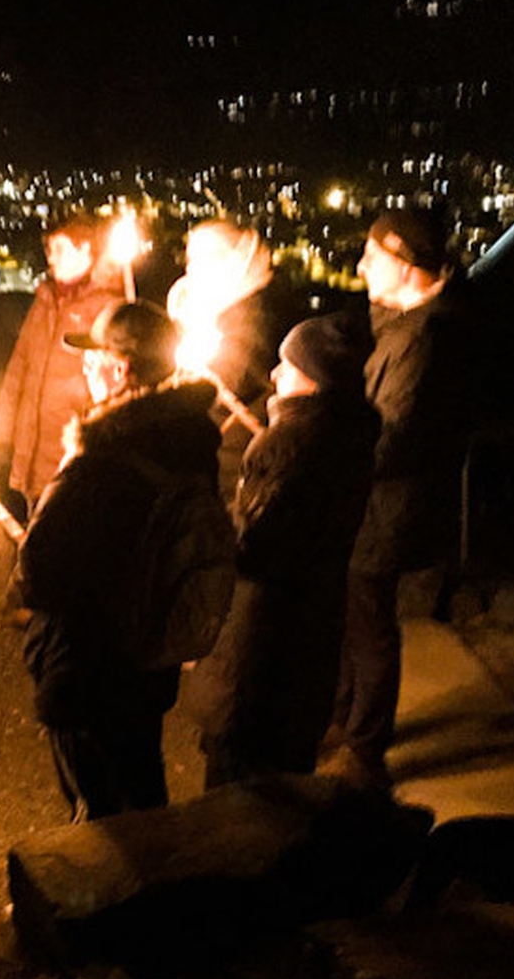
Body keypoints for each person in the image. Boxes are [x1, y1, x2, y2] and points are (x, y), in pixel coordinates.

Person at [16, 302, 223, 820]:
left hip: (90, 670)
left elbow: (40, 571)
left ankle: (117, 897)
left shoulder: (105, 465)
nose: (85, 371)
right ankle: (158, 885)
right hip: (146, 663)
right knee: (141, 787)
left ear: (121, 369)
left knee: (103, 815)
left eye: (94, 360)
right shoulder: (187, 441)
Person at [182, 315, 378, 787]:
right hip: (309, 642)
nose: (274, 374)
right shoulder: (347, 434)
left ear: (313, 379)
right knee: (288, 786)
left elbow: (252, 547)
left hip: (260, 648)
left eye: (287, 366)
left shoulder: (290, 444)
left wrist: (209, 522)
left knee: (239, 795)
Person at [322, 206, 476, 791]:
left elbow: (396, 434)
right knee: (352, 614)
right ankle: (341, 721)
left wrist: (329, 452)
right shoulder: (405, 319)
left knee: (368, 623)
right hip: (372, 499)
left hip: (386, 507)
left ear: (407, 266)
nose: (361, 266)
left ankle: (364, 747)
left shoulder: (427, 338)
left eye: (373, 256)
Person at [0, 213, 124, 511]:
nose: (52, 258)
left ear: (86, 251)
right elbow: (19, 365)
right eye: (49, 250)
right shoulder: (45, 300)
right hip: (32, 444)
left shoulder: (108, 307)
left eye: (60, 249)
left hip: (69, 445)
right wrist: (2, 429)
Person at [165, 219, 300, 498]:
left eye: (201, 260)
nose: (191, 269)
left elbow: (227, 382)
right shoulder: (221, 308)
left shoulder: (253, 317)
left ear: (229, 262)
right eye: (189, 258)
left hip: (241, 453)